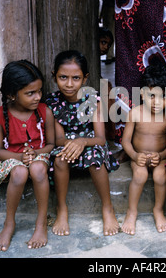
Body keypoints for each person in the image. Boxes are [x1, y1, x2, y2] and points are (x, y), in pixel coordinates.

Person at [46, 50, 120, 236]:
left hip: (91, 143)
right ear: (54, 76)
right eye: (63, 77)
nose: (69, 84)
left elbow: (101, 138)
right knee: (60, 160)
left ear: (85, 79)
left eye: (76, 78)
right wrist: (73, 143)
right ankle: (62, 208)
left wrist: (82, 141)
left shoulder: (93, 99)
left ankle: (107, 207)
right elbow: (59, 139)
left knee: (95, 158)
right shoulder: (52, 103)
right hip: (66, 146)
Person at [0, 60, 55, 252]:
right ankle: (9, 223)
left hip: (39, 155)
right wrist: (20, 158)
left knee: (38, 168)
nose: (37, 97)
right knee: (19, 173)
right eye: (30, 93)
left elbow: (51, 144)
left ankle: (41, 222)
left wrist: (35, 154)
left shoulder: (45, 112)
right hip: (12, 157)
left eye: (40, 91)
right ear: (11, 94)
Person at [121, 63, 166, 235]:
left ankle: (158, 210)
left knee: (159, 176)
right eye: (152, 96)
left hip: (160, 158)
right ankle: (132, 211)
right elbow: (125, 141)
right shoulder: (135, 113)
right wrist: (135, 156)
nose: (157, 102)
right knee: (140, 174)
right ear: (142, 93)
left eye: (163, 96)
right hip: (139, 157)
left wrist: (161, 155)